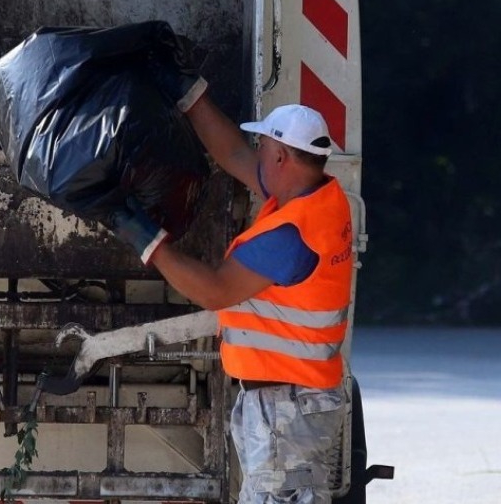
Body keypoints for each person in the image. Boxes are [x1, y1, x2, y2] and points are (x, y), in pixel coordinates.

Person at [111, 71, 354, 504]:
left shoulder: (290, 236)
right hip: (295, 403)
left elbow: (215, 291)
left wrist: (144, 237)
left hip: (289, 408)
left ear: (282, 157)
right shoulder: (315, 199)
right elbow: (234, 153)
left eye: (265, 148)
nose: (256, 154)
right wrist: (190, 93)